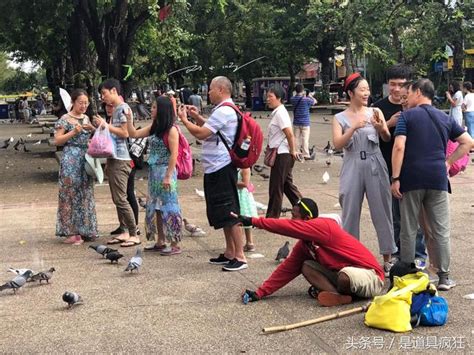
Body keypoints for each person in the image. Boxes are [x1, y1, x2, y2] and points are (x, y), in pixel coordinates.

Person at [391, 78, 473, 291]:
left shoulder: (406, 117)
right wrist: (448, 162)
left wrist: (395, 178)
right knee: (440, 228)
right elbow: (468, 142)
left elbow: (399, 147)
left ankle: (409, 272)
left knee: (409, 227)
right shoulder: (443, 117)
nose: (405, 97)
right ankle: (444, 276)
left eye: (408, 93)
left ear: (418, 92)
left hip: (412, 179)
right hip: (437, 178)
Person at [237, 198, 384, 307]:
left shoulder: (324, 226)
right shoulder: (305, 245)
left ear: (307, 219)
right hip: (345, 276)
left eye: (294, 216)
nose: (291, 220)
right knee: (306, 266)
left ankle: (341, 295)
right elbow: (286, 270)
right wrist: (260, 293)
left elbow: (286, 227)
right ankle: (338, 296)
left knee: (345, 276)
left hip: (372, 277)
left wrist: (254, 221)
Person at [177, 76, 247, 271]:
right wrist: (197, 118)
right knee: (223, 212)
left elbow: (201, 134)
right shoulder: (224, 110)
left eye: (211, 89)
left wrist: (184, 120)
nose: (208, 93)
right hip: (217, 167)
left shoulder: (224, 111)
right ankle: (230, 252)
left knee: (230, 211)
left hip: (221, 167)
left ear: (221, 89)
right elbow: (213, 130)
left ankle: (240, 256)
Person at [332, 73, 396, 276]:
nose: (366, 93)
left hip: (375, 161)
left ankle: (388, 258)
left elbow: (386, 137)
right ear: (351, 93)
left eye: (367, 89)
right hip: (352, 164)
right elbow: (337, 144)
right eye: (362, 90)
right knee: (350, 211)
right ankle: (351, 257)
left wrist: (381, 127)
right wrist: (352, 128)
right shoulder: (339, 117)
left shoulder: (375, 111)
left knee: (382, 211)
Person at [372, 65, 427, 267]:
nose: (396, 89)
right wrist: (389, 123)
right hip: (387, 167)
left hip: (412, 167)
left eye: (401, 85)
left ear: (410, 87)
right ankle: (398, 254)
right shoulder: (378, 107)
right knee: (395, 215)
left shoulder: (415, 106)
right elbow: (371, 136)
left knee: (416, 216)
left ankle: (419, 254)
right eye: (393, 84)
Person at [127, 96, 183, 255]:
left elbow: (174, 154)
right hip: (154, 171)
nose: (151, 110)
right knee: (156, 206)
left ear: (162, 110)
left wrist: (168, 176)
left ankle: (174, 243)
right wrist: (130, 118)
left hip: (166, 171)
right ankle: (160, 240)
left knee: (170, 206)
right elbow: (134, 134)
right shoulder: (154, 127)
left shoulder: (171, 130)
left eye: (153, 107)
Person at [95, 79, 140, 247]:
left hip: (122, 158)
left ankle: (133, 233)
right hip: (115, 157)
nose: (103, 97)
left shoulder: (123, 108)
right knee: (117, 198)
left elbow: (124, 132)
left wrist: (105, 125)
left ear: (113, 90)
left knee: (121, 198)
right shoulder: (116, 110)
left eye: (104, 93)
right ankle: (124, 231)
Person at [53, 89, 98, 245]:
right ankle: (71, 231)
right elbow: (57, 140)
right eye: (80, 103)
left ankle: (86, 229)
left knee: (85, 193)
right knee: (70, 193)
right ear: (73, 102)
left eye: (86, 103)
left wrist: (93, 130)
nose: (84, 106)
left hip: (85, 158)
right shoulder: (65, 119)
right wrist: (73, 132)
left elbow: (91, 137)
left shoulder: (86, 118)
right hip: (70, 158)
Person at [103, 102, 141, 237]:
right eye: (106, 106)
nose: (108, 108)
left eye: (110, 106)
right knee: (120, 195)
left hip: (127, 159)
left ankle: (133, 227)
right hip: (116, 158)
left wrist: (108, 127)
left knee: (127, 194)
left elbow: (126, 135)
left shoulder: (123, 115)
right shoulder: (111, 120)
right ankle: (123, 226)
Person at [266, 84, 302, 218]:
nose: (268, 99)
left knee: (276, 187)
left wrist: (293, 151)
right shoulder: (278, 112)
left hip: (282, 154)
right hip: (282, 154)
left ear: (279, 98)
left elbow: (289, 134)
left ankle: (272, 217)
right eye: (267, 96)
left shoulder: (280, 113)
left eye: (270, 96)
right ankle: (304, 208)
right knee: (287, 186)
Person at [290, 84, 317, 159]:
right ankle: (305, 154)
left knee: (296, 138)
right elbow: (315, 102)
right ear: (303, 90)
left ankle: (297, 153)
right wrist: (310, 96)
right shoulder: (307, 99)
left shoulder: (293, 99)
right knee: (305, 139)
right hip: (305, 123)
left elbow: (293, 98)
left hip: (296, 122)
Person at [237, 168, 258, 252]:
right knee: (240, 219)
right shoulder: (236, 167)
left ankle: (248, 242)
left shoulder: (245, 168)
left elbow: (245, 183)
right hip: (239, 195)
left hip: (242, 196)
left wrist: (231, 182)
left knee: (243, 218)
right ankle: (248, 243)